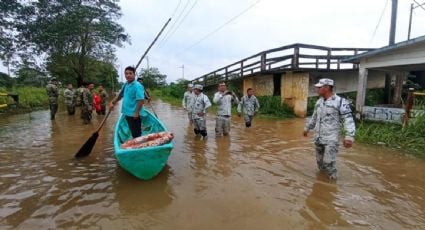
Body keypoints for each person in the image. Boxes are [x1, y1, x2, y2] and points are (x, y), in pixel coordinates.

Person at [303, 78, 355, 180]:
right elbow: (314, 117)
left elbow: (348, 119)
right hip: (318, 137)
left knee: (329, 163)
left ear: (327, 88)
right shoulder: (319, 102)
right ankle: (321, 183)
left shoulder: (340, 102)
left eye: (319, 87)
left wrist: (349, 136)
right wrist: (307, 128)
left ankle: (332, 184)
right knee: (320, 164)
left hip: (331, 139)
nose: (317, 89)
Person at [110, 66, 145, 138]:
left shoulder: (137, 85)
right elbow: (120, 96)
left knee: (136, 134)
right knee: (133, 130)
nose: (128, 75)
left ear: (134, 75)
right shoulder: (126, 84)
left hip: (134, 114)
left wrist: (136, 112)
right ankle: (135, 142)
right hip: (127, 112)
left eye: (130, 73)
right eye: (126, 73)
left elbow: (141, 100)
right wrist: (112, 102)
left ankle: (138, 147)